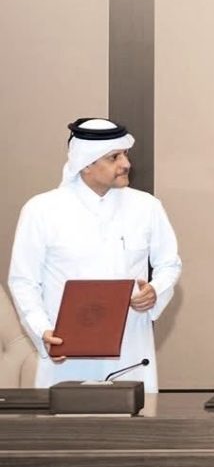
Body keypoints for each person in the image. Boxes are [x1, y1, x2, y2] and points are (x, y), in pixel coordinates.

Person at [7, 118, 182, 392]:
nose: (126, 164)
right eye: (114, 157)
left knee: (134, 419)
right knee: (68, 420)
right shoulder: (41, 210)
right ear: (86, 163)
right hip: (66, 353)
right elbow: (23, 281)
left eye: (125, 154)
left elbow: (169, 264)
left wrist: (155, 291)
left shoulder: (147, 207)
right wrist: (42, 330)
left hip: (130, 352)